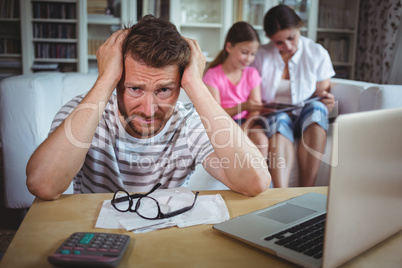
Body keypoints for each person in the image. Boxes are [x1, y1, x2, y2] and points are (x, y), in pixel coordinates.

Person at [26, 15, 271, 200]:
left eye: (164, 90)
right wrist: (105, 80)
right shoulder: (84, 112)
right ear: (117, 80)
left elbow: (255, 182)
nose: (149, 109)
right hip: (95, 237)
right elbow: (43, 185)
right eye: (135, 88)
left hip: (165, 238)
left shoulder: (188, 123)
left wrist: (196, 83)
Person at [251, 5, 336, 187]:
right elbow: (250, 92)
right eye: (279, 42)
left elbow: (320, 94)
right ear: (270, 39)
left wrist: (326, 100)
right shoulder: (260, 55)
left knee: (317, 109)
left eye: (291, 38)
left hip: (304, 116)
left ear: (299, 27)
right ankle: (281, 193)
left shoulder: (316, 52)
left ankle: (307, 189)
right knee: (279, 119)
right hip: (274, 116)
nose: (287, 46)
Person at [203, 22, 269, 161]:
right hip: (223, 123)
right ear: (229, 47)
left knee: (261, 141)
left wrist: (245, 127)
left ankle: (260, 182)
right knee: (233, 145)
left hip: (247, 122)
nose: (248, 59)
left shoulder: (252, 74)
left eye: (252, 54)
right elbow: (216, 114)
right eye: (244, 52)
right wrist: (243, 106)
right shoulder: (213, 75)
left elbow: (255, 109)